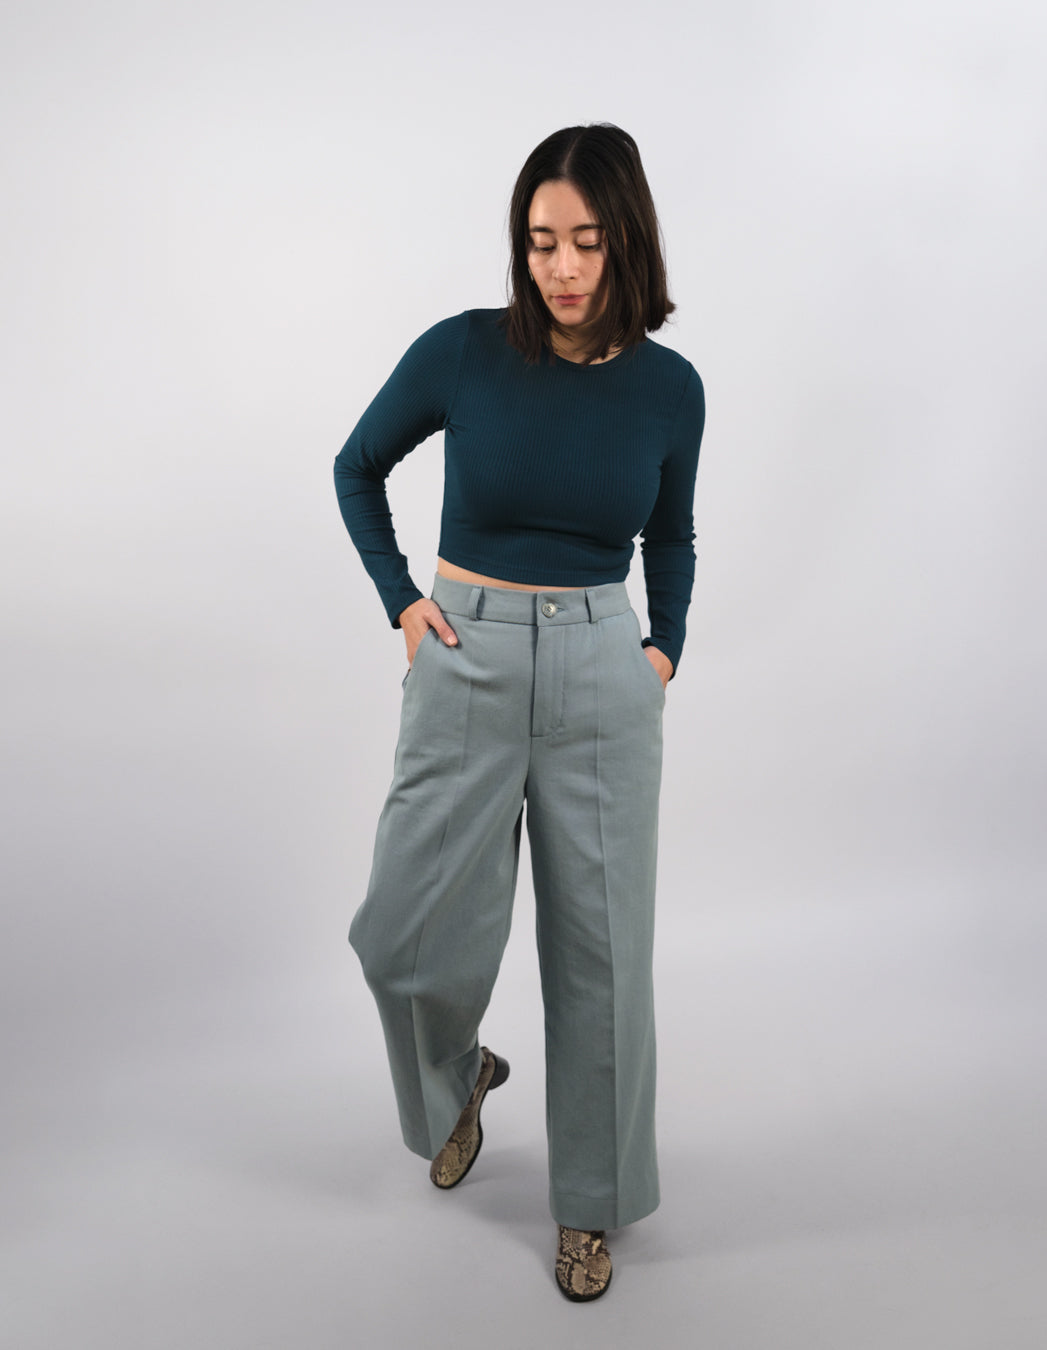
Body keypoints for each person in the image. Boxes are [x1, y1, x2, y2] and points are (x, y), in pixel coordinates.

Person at [333, 123, 705, 1302]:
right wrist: (402, 601)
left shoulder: (671, 389)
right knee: (399, 933)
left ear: (626, 239)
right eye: (541, 241)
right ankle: (459, 1081)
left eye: (586, 240)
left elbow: (672, 536)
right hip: (466, 655)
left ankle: (590, 1207)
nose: (562, 266)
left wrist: (661, 650)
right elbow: (355, 466)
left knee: (602, 958)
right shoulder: (464, 353)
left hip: (603, 670)